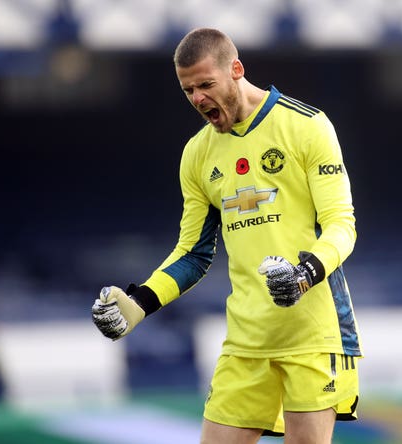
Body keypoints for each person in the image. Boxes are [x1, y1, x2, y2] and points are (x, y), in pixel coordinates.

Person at [92, 27, 362, 444]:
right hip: (246, 340)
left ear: (236, 70)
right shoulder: (197, 154)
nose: (198, 99)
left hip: (313, 333)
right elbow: (193, 255)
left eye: (205, 85)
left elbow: (342, 225)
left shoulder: (308, 126)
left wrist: (304, 274)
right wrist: (140, 302)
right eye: (188, 91)